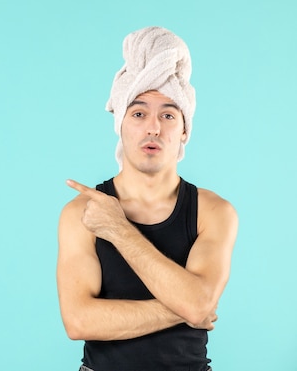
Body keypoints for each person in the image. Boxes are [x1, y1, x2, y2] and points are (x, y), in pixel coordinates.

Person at [56, 26, 238, 371]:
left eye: (168, 115)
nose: (153, 127)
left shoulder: (213, 212)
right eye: (138, 113)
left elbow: (200, 305)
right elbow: (78, 321)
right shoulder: (81, 212)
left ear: (185, 129)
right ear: (121, 124)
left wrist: (119, 230)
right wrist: (185, 306)